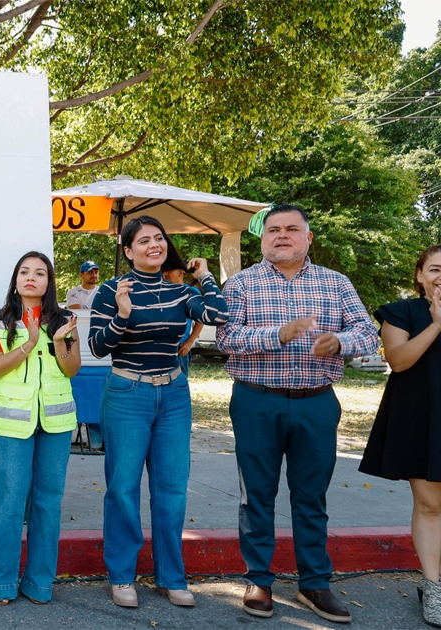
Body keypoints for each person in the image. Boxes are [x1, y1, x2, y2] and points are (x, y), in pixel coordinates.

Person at [217, 203, 378, 623]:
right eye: (273, 230)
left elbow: (367, 332)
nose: (282, 235)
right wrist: (279, 334)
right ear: (263, 238)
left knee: (311, 496)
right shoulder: (240, 285)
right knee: (257, 494)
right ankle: (259, 580)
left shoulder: (336, 284)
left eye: (292, 229)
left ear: (309, 238)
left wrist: (340, 344)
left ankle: (314, 584)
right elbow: (227, 337)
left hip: (317, 402)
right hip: (256, 400)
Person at [88, 215, 226, 609]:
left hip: (174, 396)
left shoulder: (180, 292)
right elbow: (98, 347)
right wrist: (123, 314)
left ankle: (171, 575)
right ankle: (121, 575)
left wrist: (206, 277)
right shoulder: (111, 290)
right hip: (127, 392)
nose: (155, 244)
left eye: (159, 238)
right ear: (128, 251)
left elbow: (219, 314)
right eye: (144, 240)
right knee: (123, 489)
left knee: (171, 489)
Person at [0, 251, 80, 605]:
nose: (31, 277)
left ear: (49, 282)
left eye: (40, 273)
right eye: (24, 271)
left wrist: (56, 342)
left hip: (54, 423)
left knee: (48, 503)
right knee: (9, 502)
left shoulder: (65, 320)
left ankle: (39, 583)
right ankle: (1, 584)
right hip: (12, 425)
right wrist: (28, 343)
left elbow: (72, 370)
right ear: (16, 279)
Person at [359, 244, 441, 627]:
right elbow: (399, 361)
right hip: (422, 417)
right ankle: (433, 586)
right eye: (436, 269)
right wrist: (439, 323)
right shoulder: (401, 312)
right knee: (431, 505)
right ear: (420, 275)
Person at [163, 268, 204, 377]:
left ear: (181, 272)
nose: (165, 274)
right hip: (158, 349)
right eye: (163, 270)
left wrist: (190, 342)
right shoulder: (157, 292)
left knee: (180, 386)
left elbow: (200, 319)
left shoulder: (191, 292)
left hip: (180, 349)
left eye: (169, 270)